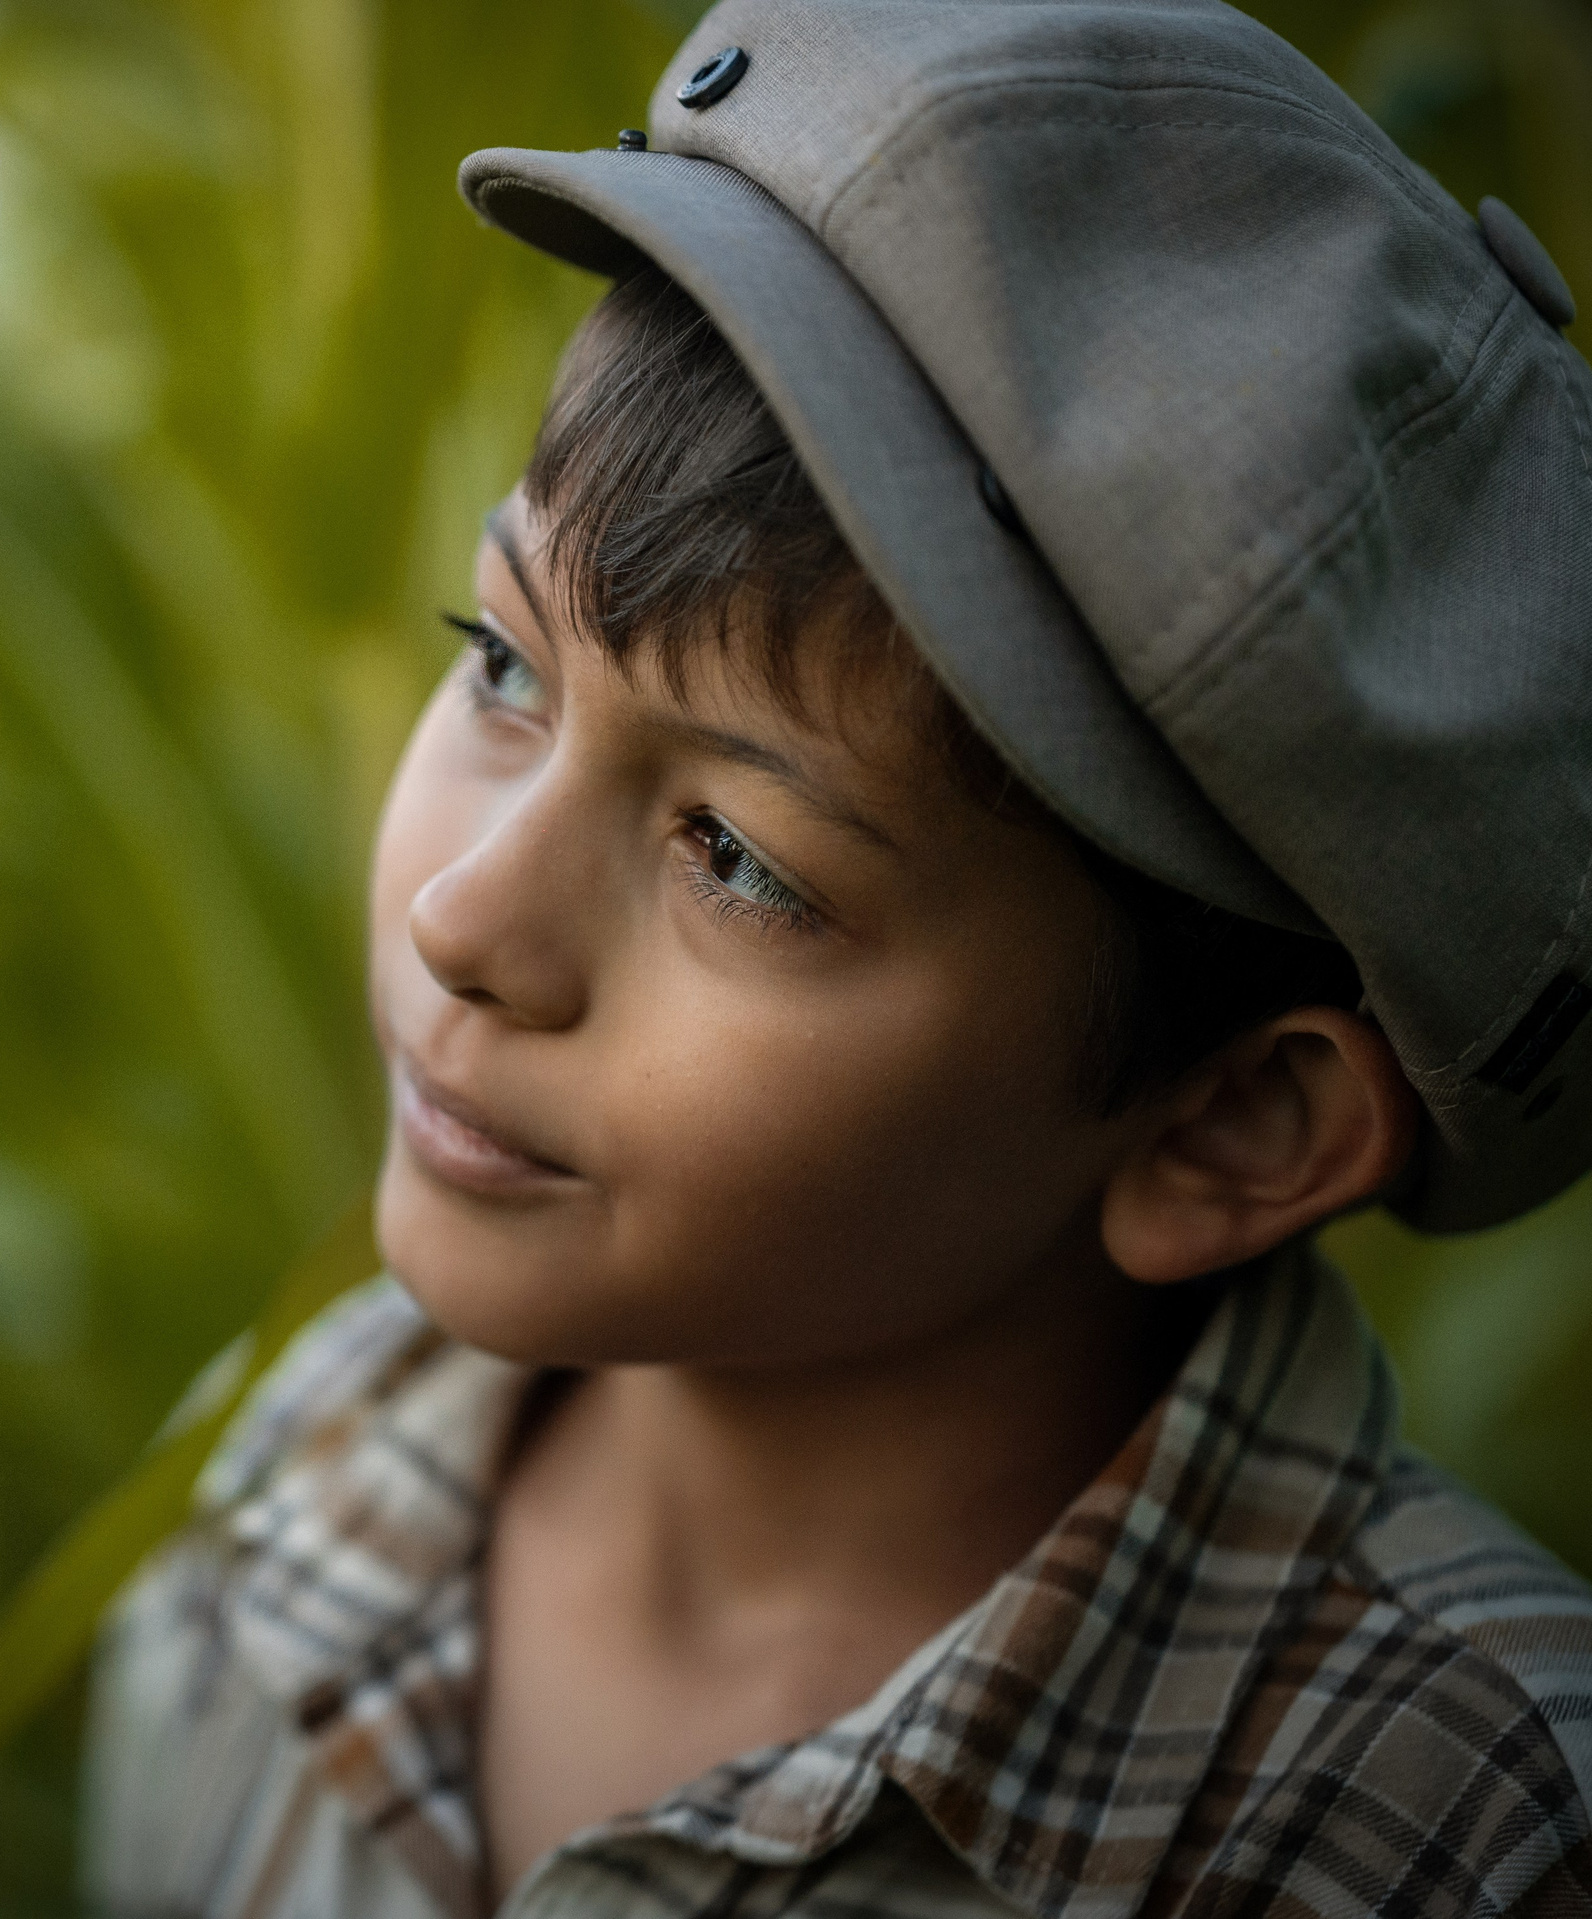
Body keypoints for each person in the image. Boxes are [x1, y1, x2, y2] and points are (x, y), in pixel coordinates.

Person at [82, 1, 1592, 1912]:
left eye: (739, 859)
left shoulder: (1460, 1837)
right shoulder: (294, 1478)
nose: (463, 921)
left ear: (1230, 1123)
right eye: (501, 668)